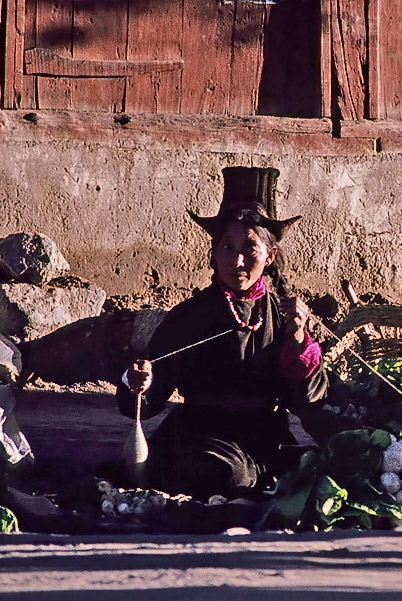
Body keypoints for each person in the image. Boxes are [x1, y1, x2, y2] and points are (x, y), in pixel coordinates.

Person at [116, 166, 328, 504]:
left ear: (270, 256)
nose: (238, 261)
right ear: (214, 253)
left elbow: (310, 402)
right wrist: (139, 381)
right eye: (227, 247)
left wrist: (300, 340)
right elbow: (147, 398)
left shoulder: (284, 317)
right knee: (224, 473)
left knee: (315, 472)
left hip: (266, 436)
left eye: (250, 249)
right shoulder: (190, 315)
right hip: (203, 436)